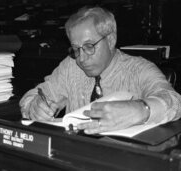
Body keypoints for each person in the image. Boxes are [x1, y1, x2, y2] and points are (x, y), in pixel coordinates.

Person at [19, 6, 181, 135]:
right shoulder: (71, 66)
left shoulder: (138, 69)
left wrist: (141, 110)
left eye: (89, 47)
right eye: (76, 49)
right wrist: (33, 107)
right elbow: (34, 94)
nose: (81, 58)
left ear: (110, 40)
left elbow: (174, 101)